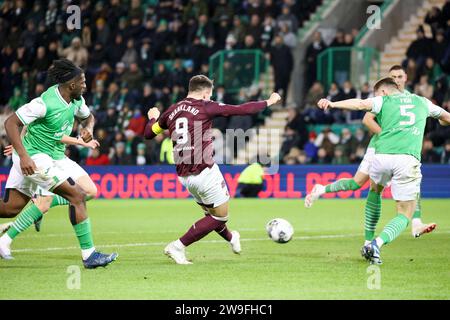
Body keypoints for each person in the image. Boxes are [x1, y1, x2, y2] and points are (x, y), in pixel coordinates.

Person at [144, 75, 281, 264]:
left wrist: (153, 118)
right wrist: (269, 101)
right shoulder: (206, 106)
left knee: (211, 215)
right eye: (211, 94)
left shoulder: (172, 110)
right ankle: (177, 246)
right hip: (204, 172)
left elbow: (148, 133)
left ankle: (232, 238)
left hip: (184, 176)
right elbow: (242, 110)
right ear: (206, 92)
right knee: (220, 218)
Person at [316, 77, 450, 264]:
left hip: (381, 157)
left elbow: (360, 104)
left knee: (375, 191)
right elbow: (446, 118)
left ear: (384, 92)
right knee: (405, 213)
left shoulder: (384, 100)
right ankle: (376, 244)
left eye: (377, 93)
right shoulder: (422, 101)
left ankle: (367, 239)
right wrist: (442, 122)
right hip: (406, 159)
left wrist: (332, 103)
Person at [0, 59, 117, 268]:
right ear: (71, 85)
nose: (85, 85)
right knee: (77, 196)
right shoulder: (45, 102)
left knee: (11, 208)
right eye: (82, 82)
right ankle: (89, 256)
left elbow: (88, 117)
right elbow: (11, 122)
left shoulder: (76, 100)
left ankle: (41, 202)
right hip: (35, 158)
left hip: (56, 156)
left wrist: (88, 128)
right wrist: (23, 154)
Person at [305, 65, 436, 239]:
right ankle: (322, 189)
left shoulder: (413, 98)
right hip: (380, 146)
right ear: (389, 82)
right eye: (393, 77)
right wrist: (389, 136)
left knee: (412, 180)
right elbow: (367, 119)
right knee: (356, 184)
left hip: (397, 149)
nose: (397, 79)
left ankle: (415, 223)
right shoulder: (385, 98)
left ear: (405, 78)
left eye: (400, 76)